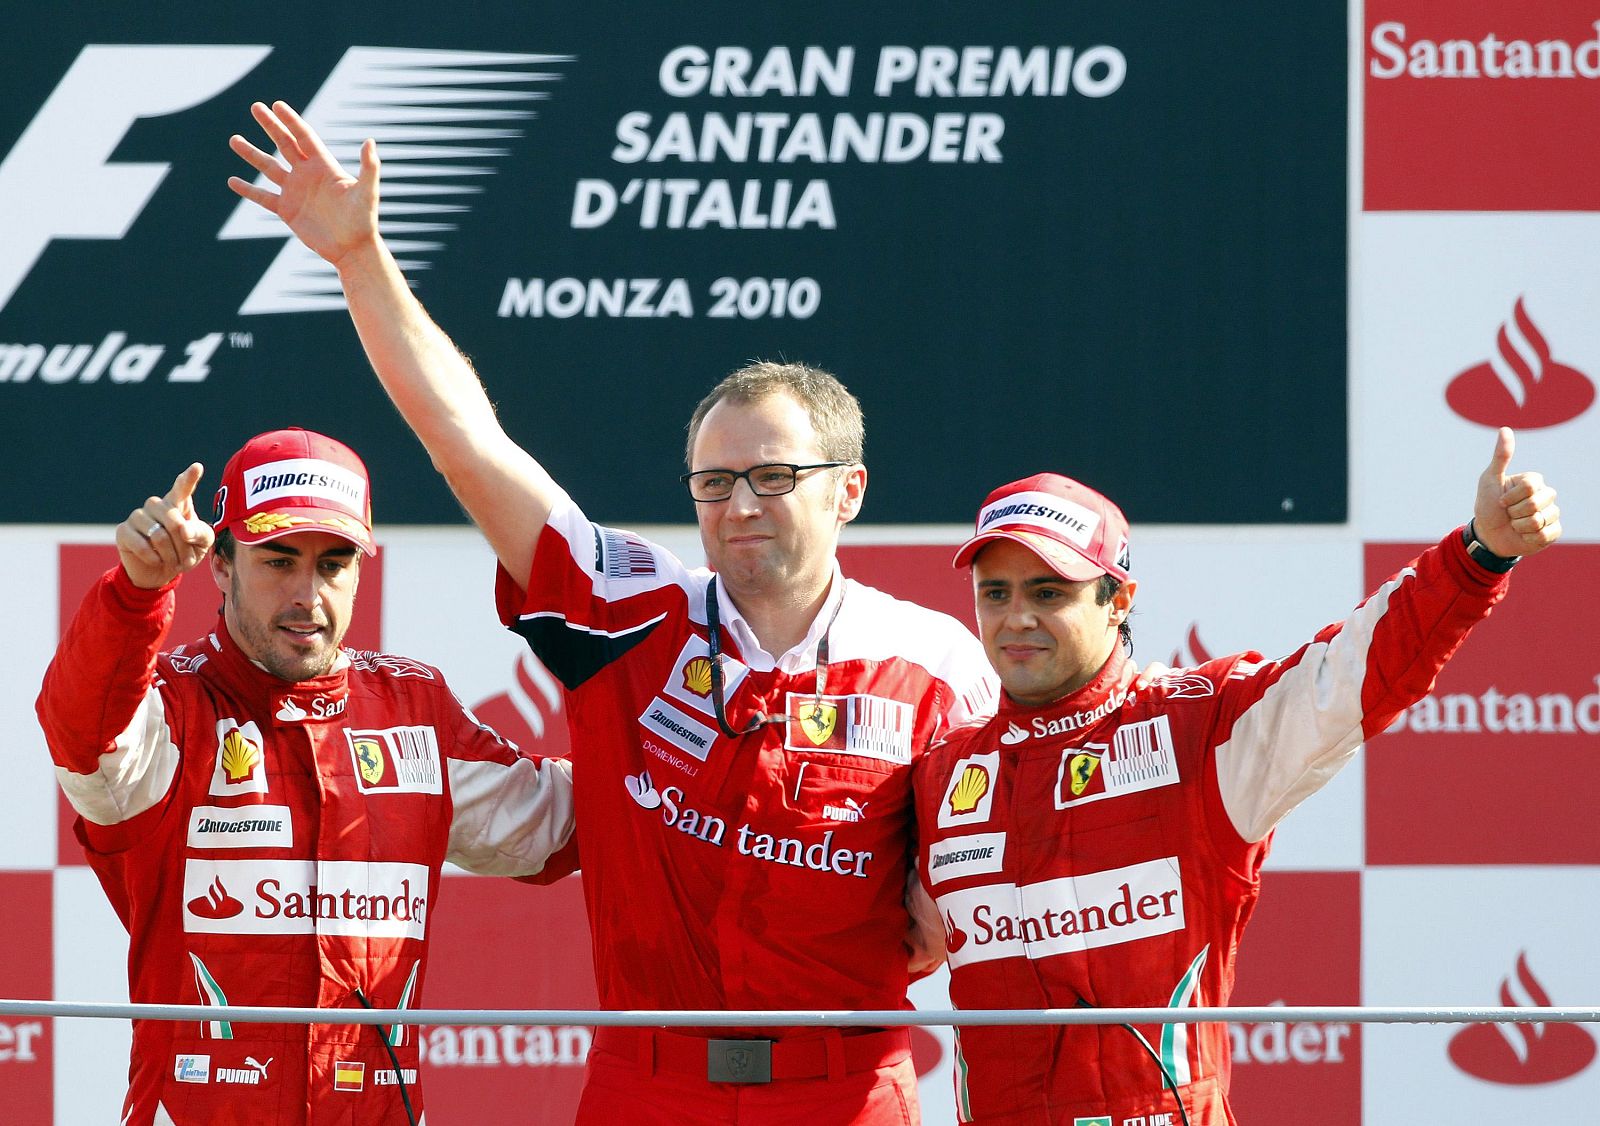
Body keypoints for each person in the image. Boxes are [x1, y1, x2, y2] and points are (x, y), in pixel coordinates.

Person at [227, 103, 997, 1123]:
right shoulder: (630, 609)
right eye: (714, 480)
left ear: (848, 490)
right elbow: (468, 442)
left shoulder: (936, 659)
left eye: (773, 475)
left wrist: (955, 897)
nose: (740, 505)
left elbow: (1006, 844)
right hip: (651, 1085)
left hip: (849, 1091)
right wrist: (362, 257)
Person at [915, 429, 1561, 1125]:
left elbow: (1351, 675)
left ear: (1119, 599)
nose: (1017, 618)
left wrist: (1477, 556)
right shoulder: (944, 768)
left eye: (1049, 591)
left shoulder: (1200, 730)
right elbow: (877, 932)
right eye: (996, 593)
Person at [36, 428, 577, 1126]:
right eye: (279, 561)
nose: (307, 596)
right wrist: (136, 594)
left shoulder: (414, 708)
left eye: (333, 564)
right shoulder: (171, 708)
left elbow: (562, 825)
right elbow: (82, 735)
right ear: (222, 566)